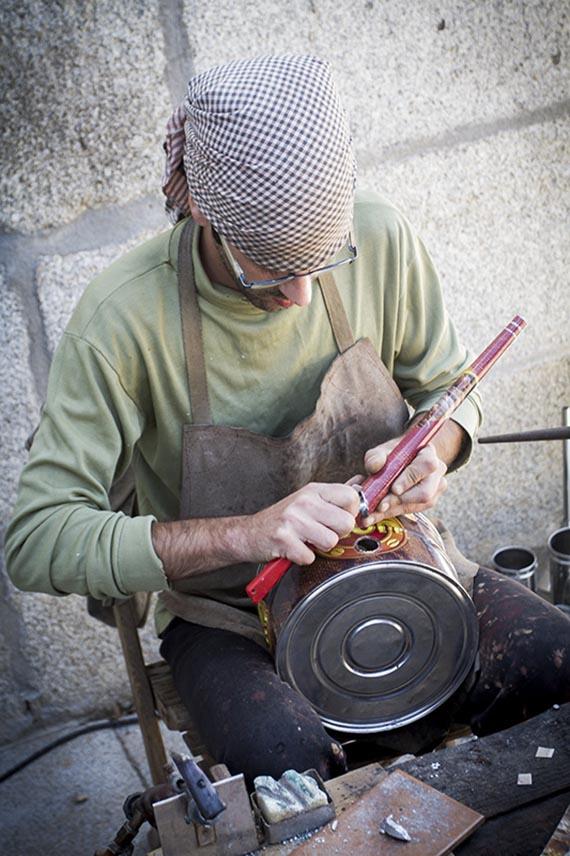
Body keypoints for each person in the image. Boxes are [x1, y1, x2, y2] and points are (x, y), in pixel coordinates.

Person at [6, 55, 569, 786]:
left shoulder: (381, 235)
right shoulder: (120, 322)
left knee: (554, 665)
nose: (303, 296)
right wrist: (246, 533)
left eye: (324, 260)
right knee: (292, 766)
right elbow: (36, 540)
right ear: (205, 213)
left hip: (400, 560)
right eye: (270, 270)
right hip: (226, 616)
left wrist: (439, 445)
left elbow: (448, 389)